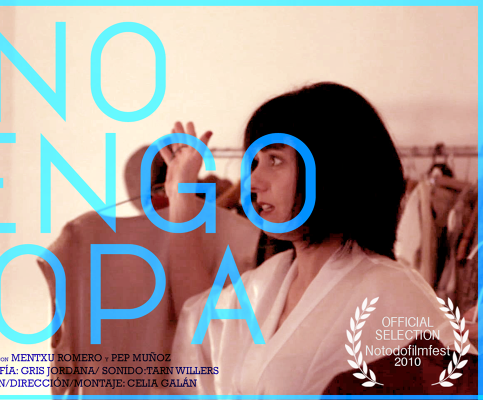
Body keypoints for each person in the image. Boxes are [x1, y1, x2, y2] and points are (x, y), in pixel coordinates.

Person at [163, 82, 447, 394]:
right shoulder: (268, 281)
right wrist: (180, 194)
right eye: (254, 163)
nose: (252, 181)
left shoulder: (393, 293)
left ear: (330, 169)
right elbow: (199, 324)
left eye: (274, 160)